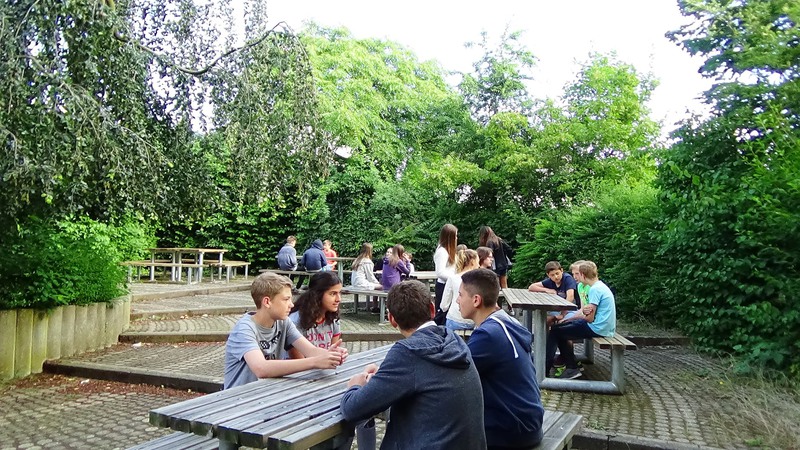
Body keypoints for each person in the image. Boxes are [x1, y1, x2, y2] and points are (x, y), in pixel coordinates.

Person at [339, 280, 487, 450]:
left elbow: (352, 409)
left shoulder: (407, 353)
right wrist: (386, 377)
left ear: (392, 319)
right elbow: (425, 377)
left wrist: (355, 386)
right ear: (432, 309)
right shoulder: (453, 339)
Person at [286, 272, 377, 450]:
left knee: (358, 408)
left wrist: (338, 355)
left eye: (340, 293)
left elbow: (332, 352)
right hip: (297, 384)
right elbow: (298, 362)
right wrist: (326, 358)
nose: (339, 299)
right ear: (318, 295)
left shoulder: (332, 318)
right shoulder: (296, 321)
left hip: (324, 379)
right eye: (333, 293)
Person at [458, 268, 545, 449]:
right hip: (529, 422)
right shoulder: (506, 322)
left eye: (460, 295)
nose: (458, 300)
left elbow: (455, 376)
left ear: (476, 300)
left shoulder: (488, 335)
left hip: (512, 431)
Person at [223, 272, 348, 391]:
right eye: (286, 299)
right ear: (267, 302)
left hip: (265, 394)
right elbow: (261, 368)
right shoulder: (244, 329)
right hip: (236, 399)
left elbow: (310, 350)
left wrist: (331, 355)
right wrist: (314, 362)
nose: (291, 305)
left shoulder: (283, 322)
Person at [546, 261, 617, 380]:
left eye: (576, 274)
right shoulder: (598, 286)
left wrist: (580, 315)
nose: (574, 277)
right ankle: (570, 366)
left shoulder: (595, 290)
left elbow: (589, 318)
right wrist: (570, 319)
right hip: (599, 325)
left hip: (598, 328)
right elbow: (585, 312)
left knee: (555, 332)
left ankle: (547, 369)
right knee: (558, 328)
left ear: (583, 274)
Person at [528, 261, 578, 327]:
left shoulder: (567, 279)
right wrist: (547, 290)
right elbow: (531, 287)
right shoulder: (550, 281)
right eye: (552, 275)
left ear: (562, 271)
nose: (556, 277)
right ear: (548, 275)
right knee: (545, 319)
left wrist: (562, 314)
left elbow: (570, 297)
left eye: (557, 273)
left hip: (571, 309)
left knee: (564, 322)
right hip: (557, 310)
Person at [441, 249, 479, 331]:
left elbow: (444, 306)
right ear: (472, 261)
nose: (478, 265)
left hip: (454, 319)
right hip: (474, 321)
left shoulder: (453, 278)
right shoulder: (479, 279)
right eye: (477, 261)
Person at [433, 224, 458, 325]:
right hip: (443, 286)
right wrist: (455, 278)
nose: (456, 238)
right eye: (455, 236)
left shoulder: (449, 251)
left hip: (449, 285)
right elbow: (440, 272)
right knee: (442, 314)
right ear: (449, 237)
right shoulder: (442, 252)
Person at [351, 243, 383, 312]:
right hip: (361, 284)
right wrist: (378, 283)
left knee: (376, 286)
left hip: (354, 283)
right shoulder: (367, 261)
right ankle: (376, 307)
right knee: (381, 287)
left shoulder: (357, 260)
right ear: (370, 251)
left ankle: (375, 307)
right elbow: (370, 277)